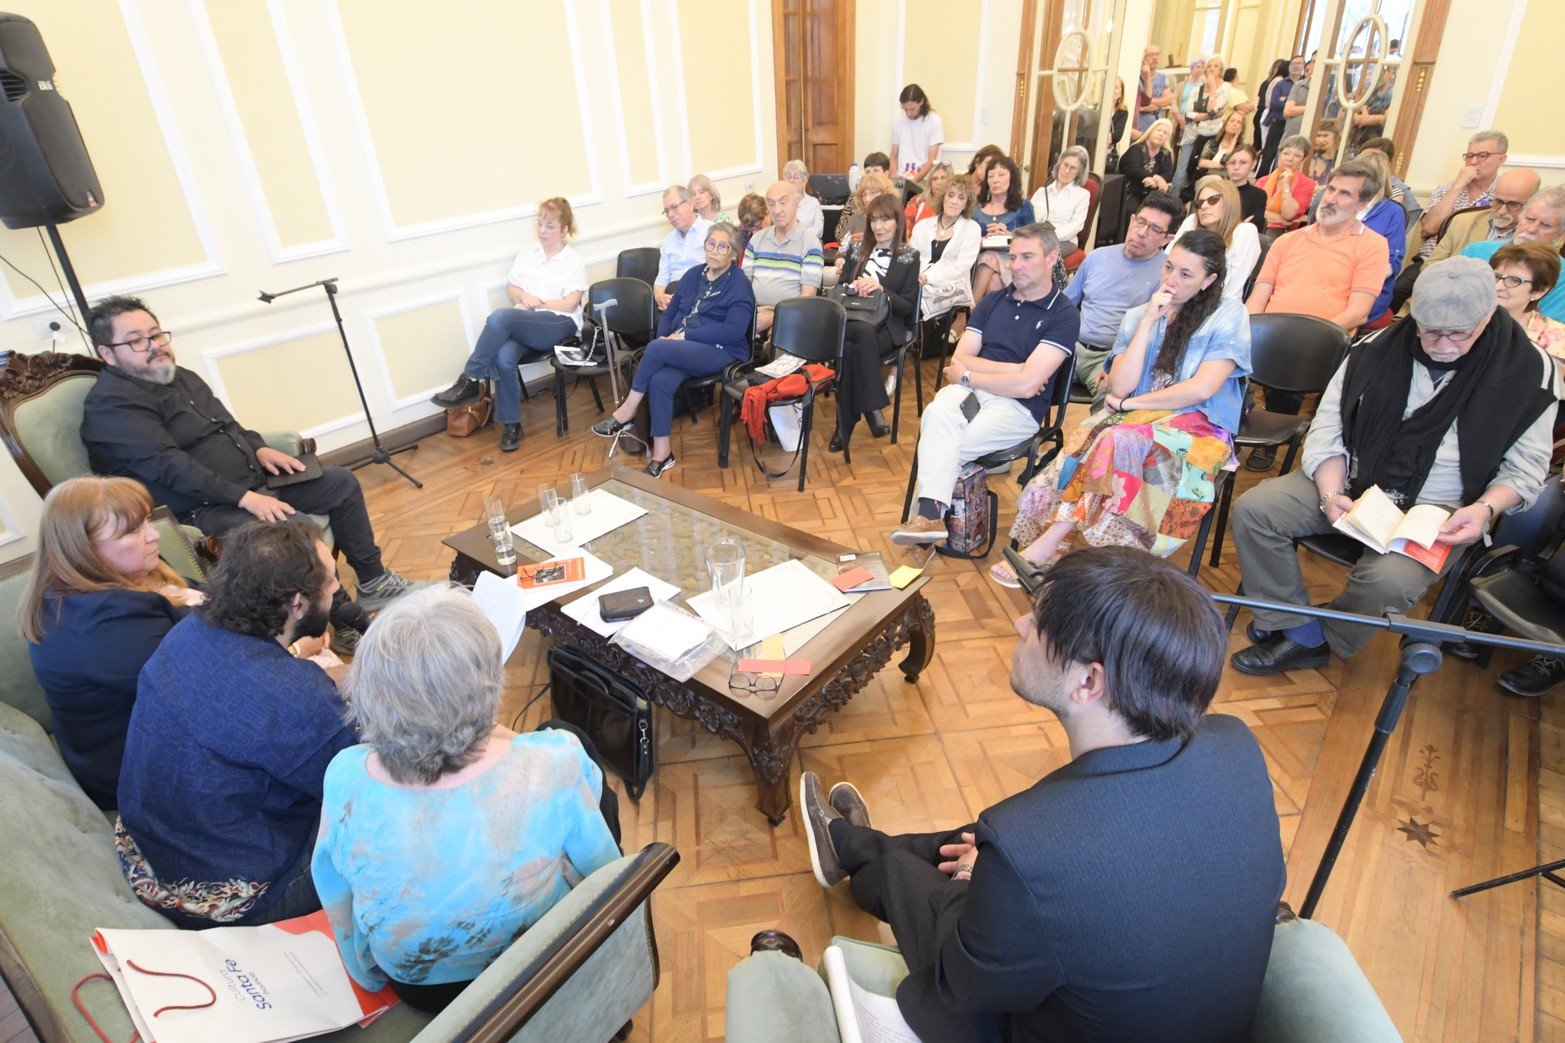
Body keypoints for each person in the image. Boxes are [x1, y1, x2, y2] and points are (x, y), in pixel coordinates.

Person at [800, 546, 1285, 1042]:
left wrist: (970, 882)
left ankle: (859, 854)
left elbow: (962, 987)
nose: (1020, 626)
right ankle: (851, 846)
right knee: (982, 839)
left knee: (904, 873)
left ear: (1088, 681)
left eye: (1039, 621)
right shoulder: (1234, 745)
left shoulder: (1031, 845)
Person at [1229, 258, 1556, 675]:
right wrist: (1331, 493)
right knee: (1256, 509)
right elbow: (1328, 427)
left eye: (1458, 334)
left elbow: (1525, 469)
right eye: (1430, 330)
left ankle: (1320, 637)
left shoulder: (1531, 371)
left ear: (1488, 315)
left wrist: (1484, 510)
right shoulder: (1375, 349)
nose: (1441, 345)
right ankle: (1296, 627)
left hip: (1440, 508)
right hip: (1352, 479)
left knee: (1388, 583)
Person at [312, 586, 621, 1013]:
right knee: (587, 775)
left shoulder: (346, 773)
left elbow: (335, 889)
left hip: (418, 985)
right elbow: (607, 877)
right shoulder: (554, 760)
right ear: (488, 683)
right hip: (536, 961)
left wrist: (364, 969)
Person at [80, 296, 418, 619]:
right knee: (291, 528)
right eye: (137, 341)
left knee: (340, 483)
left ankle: (375, 583)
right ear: (108, 354)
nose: (154, 345)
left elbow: (228, 425)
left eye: (156, 334)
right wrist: (245, 499)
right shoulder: (113, 407)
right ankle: (342, 618)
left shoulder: (180, 376)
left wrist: (258, 447)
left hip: (250, 486)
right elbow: (174, 468)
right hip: (202, 509)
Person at [116, 519, 355, 927]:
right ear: (297, 603)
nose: (336, 591)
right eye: (331, 583)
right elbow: (368, 781)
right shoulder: (297, 699)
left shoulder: (188, 632)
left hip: (148, 855)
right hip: (233, 898)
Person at [994, 230, 1249, 585]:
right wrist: (1148, 322)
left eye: (1186, 275)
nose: (1171, 281)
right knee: (1088, 434)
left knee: (1114, 438)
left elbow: (1201, 389)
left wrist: (1130, 404)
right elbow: (1120, 384)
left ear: (1210, 280)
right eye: (1169, 268)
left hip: (1199, 427)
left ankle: (1050, 545)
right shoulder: (1141, 313)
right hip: (1138, 418)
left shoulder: (1228, 315)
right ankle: (1060, 548)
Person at [18, 477, 201, 809]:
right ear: (82, 549)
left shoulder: (135, 571)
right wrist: (291, 647)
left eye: (146, 519)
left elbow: (212, 606)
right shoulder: (94, 624)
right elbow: (206, 683)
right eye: (131, 530)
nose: (153, 533)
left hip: (174, 727)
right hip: (138, 770)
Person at [890, 223, 1078, 546]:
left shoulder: (1063, 314)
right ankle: (932, 520)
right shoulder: (993, 302)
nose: (1015, 265)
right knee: (935, 416)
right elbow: (962, 354)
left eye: (1026, 257)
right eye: (1012, 257)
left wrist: (969, 374)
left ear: (1051, 259)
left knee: (944, 443)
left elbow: (1026, 386)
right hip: (972, 392)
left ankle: (927, 517)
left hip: (1017, 409)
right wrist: (1012, 371)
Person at [1244, 160, 1391, 468]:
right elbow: (1258, 297)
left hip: (1324, 342)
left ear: (1363, 203)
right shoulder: (1288, 240)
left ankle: (1280, 433)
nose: (1332, 199)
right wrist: (1241, 330)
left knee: (1296, 353)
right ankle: (1239, 425)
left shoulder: (1372, 246)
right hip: (1270, 335)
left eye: (1345, 194)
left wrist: (1305, 336)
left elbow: (1358, 312)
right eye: (1331, 189)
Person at [592, 223, 755, 478]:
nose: (714, 251)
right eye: (710, 243)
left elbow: (733, 331)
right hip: (684, 346)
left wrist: (682, 337)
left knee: (657, 349)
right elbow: (669, 314)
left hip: (723, 351)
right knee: (659, 381)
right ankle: (662, 453)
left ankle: (627, 411)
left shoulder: (739, 285)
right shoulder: (692, 275)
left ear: (734, 254)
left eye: (722, 247)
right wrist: (666, 340)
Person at [429, 197, 587, 452]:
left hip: (558, 324)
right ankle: (512, 425)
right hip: (525, 322)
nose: (543, 231)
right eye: (540, 224)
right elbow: (513, 289)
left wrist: (540, 303)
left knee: (500, 318)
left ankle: (470, 379)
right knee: (503, 357)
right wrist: (523, 297)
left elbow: (571, 304)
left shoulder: (573, 260)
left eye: (550, 226)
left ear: (564, 229)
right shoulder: (527, 253)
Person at [826, 195, 917, 452]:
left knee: (852, 344)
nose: (879, 226)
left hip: (888, 327)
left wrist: (882, 290)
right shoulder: (857, 251)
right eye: (874, 220)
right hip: (852, 320)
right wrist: (853, 285)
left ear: (898, 221)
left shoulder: (909, 256)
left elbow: (908, 307)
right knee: (856, 338)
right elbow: (841, 286)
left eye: (885, 219)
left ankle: (843, 426)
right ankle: (872, 408)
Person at [1066, 191, 1181, 390]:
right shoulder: (1097, 257)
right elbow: (1066, 302)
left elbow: (1156, 333)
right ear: (1131, 220)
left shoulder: (1166, 274)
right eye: (1140, 222)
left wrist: (1118, 361)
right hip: (1071, 346)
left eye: (1154, 229)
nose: (1142, 232)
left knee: (1113, 393)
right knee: (1027, 376)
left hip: (1113, 355)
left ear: (1166, 238)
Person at [1460, 186, 1565, 320]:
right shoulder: (1475, 251)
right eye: (1530, 219)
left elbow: (1545, 329)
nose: (1532, 229)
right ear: (1520, 217)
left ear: (1560, 234)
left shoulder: (1561, 275)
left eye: (1545, 225)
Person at [744, 180, 825, 334]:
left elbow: (807, 298)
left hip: (790, 316)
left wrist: (773, 318)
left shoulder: (810, 243)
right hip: (754, 311)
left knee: (780, 342)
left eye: (783, 202)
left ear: (796, 202)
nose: (777, 210)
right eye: (771, 204)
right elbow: (743, 286)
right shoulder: (756, 240)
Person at [909, 173, 982, 341]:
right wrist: (917, 275)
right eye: (950, 195)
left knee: (909, 298)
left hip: (951, 286)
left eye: (961, 197)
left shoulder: (972, 229)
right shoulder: (923, 226)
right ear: (942, 197)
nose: (954, 201)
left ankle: (907, 339)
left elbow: (960, 267)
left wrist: (927, 277)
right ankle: (903, 339)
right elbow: (912, 257)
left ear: (966, 203)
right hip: (919, 280)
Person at [1416, 130, 1509, 260]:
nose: (1473, 161)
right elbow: (1429, 228)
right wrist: (1458, 185)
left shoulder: (1504, 195)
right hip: (1430, 261)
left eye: (1482, 155)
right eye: (1470, 155)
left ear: (1501, 159)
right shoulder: (1446, 188)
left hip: (1475, 264)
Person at [1170, 176, 1262, 301]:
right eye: (1200, 203)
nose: (1204, 206)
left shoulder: (1245, 232)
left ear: (1229, 202)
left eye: (1213, 200)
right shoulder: (1191, 222)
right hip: (1176, 295)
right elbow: (1168, 261)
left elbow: (1232, 291)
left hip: (1218, 306)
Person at [1424, 168, 1538, 264]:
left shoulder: (1539, 233)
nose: (1502, 211)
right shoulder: (1462, 222)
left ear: (1531, 203)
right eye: (1498, 201)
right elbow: (1431, 265)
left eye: (1513, 204)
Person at [1353, 148, 1408, 328]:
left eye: (1371, 174)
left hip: (1370, 289)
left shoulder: (1393, 212)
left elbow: (1392, 263)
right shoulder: (1341, 202)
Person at [970, 156, 1036, 303]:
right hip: (977, 264)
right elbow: (965, 239)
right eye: (991, 175)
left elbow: (1035, 243)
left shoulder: (1024, 207)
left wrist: (1010, 236)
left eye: (1001, 174)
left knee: (991, 258)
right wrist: (982, 240)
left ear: (1011, 177)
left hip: (1013, 263)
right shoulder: (974, 208)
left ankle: (969, 312)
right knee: (992, 270)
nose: (995, 180)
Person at [1491, 242, 1565, 370]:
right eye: (1496, 276)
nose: (1498, 286)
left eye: (1514, 280)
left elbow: (1547, 386)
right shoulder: (1467, 318)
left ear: (1539, 291)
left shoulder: (1555, 337)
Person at [1176, 57, 1233, 198]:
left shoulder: (1225, 87)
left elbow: (1212, 109)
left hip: (1213, 137)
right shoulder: (1197, 90)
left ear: (1221, 71)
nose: (1212, 69)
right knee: (1182, 172)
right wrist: (1210, 115)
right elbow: (1189, 114)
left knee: (1202, 172)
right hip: (1192, 135)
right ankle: (1175, 200)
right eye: (1209, 66)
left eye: (1216, 66)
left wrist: (1213, 87)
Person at [653, 184, 712, 310]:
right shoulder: (668, 240)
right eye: (667, 210)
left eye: (674, 207)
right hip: (672, 296)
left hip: (701, 295)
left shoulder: (711, 231)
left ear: (691, 204)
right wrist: (660, 298)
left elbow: (719, 274)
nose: (670, 214)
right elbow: (662, 278)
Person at [1028, 147, 1090, 253]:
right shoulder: (1042, 192)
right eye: (1065, 165)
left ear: (1079, 172)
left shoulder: (1082, 196)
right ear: (1059, 164)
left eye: (1073, 168)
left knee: (1036, 254)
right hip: (1035, 239)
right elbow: (1028, 218)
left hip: (1064, 242)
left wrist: (1047, 237)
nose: (1067, 171)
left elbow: (1075, 226)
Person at [1119, 118, 1175, 235]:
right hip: (1130, 193)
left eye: (1165, 133)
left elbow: (1167, 174)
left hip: (1153, 195)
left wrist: (1157, 181)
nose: (1161, 134)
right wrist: (1155, 177)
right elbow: (1134, 170)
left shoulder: (1166, 154)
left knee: (1166, 212)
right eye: (1159, 130)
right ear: (1150, 131)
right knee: (1134, 210)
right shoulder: (1136, 149)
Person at [1258, 134, 1314, 232]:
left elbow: (1288, 215)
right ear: (1279, 155)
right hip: (1258, 226)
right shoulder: (1263, 180)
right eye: (1286, 153)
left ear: (1303, 160)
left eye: (1297, 155)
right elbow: (1255, 211)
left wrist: (1285, 185)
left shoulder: (1307, 184)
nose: (1290, 158)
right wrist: (1281, 220)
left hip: (1283, 232)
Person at [889, 84, 944, 183]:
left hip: (925, 179)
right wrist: (893, 176)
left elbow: (932, 159)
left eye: (912, 109)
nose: (909, 113)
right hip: (902, 178)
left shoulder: (934, 121)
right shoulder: (899, 122)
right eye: (906, 109)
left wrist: (914, 181)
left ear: (921, 101)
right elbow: (893, 155)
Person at [836, 171, 896, 250]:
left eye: (873, 193)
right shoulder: (855, 218)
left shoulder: (894, 217)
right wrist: (839, 258)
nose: (867, 199)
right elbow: (842, 249)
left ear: (886, 193)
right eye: (864, 195)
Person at [1258, 57, 1298, 174]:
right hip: (1276, 120)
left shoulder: (1301, 85)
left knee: (1285, 152)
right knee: (1269, 151)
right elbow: (1274, 103)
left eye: (1299, 64)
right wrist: (1289, 104)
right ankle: (1262, 177)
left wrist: (1286, 101)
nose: (1296, 66)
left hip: (1291, 123)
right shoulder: (1280, 82)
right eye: (1293, 64)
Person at [838, 152, 891, 234]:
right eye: (868, 171)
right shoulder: (855, 197)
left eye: (876, 170)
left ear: (886, 174)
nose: (871, 174)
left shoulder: (893, 199)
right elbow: (840, 232)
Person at [1225, 144, 1269, 234]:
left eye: (1243, 162)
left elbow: (1252, 226)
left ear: (1253, 165)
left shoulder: (1258, 195)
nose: (1236, 167)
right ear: (1227, 165)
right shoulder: (1214, 189)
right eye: (1232, 162)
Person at [780, 158, 824, 241]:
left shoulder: (813, 203)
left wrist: (798, 234)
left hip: (807, 244)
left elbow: (819, 231)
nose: (792, 180)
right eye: (788, 177)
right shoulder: (779, 202)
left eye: (796, 177)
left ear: (804, 181)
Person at [1134, 44, 1174, 134]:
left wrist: (1149, 104)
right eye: (1152, 55)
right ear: (1144, 57)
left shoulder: (1163, 77)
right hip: (1141, 125)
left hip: (1157, 123)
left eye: (1157, 54)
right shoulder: (1137, 78)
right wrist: (1161, 102)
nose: (1155, 57)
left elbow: (1169, 100)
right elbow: (1139, 104)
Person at [904, 162, 951, 233]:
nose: (939, 182)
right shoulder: (918, 201)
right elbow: (905, 230)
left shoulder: (956, 205)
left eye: (943, 178)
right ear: (930, 183)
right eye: (935, 179)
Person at [1281, 56, 1313, 140]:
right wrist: (1311, 108)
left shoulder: (1328, 88)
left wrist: (1297, 109)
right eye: (1307, 70)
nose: (1309, 72)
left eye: (1299, 63)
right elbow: (1287, 111)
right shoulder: (1298, 85)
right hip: (1291, 135)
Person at [735, 191, 769, 255]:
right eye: (748, 227)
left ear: (766, 215)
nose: (753, 232)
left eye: (757, 227)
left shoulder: (777, 227)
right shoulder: (742, 232)